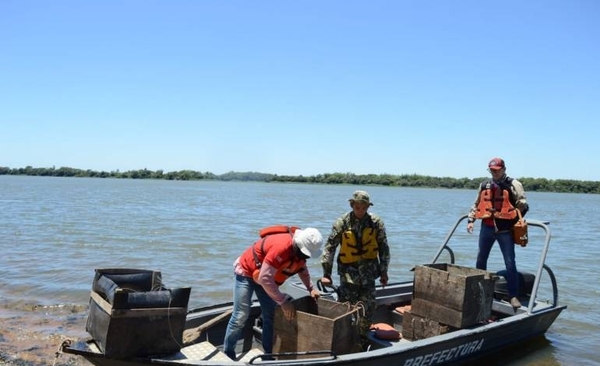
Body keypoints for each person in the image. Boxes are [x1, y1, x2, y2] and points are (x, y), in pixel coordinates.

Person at [223, 226, 323, 360]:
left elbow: (302, 269)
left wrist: (311, 288)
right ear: (298, 244)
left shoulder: (299, 254)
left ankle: (268, 355)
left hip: (265, 277)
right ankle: (228, 353)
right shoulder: (281, 247)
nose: (304, 257)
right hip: (246, 272)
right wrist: (283, 301)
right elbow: (265, 278)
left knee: (270, 314)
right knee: (240, 315)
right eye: (304, 253)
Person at [320, 190, 390, 345]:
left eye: (364, 207)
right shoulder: (342, 223)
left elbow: (384, 248)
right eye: (357, 207)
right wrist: (326, 273)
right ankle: (343, 339)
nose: (361, 211)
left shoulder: (376, 223)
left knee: (368, 308)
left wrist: (384, 270)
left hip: (369, 275)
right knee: (345, 309)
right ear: (352, 205)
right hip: (348, 275)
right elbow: (330, 247)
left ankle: (361, 341)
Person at [466, 157, 529, 308]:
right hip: (486, 228)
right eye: (491, 170)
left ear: (503, 169)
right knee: (481, 259)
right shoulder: (484, 185)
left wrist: (513, 220)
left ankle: (513, 295)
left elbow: (523, 204)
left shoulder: (514, 184)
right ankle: (478, 291)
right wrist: (471, 220)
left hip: (505, 230)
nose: (494, 173)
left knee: (510, 262)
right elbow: (476, 204)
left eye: (496, 170)